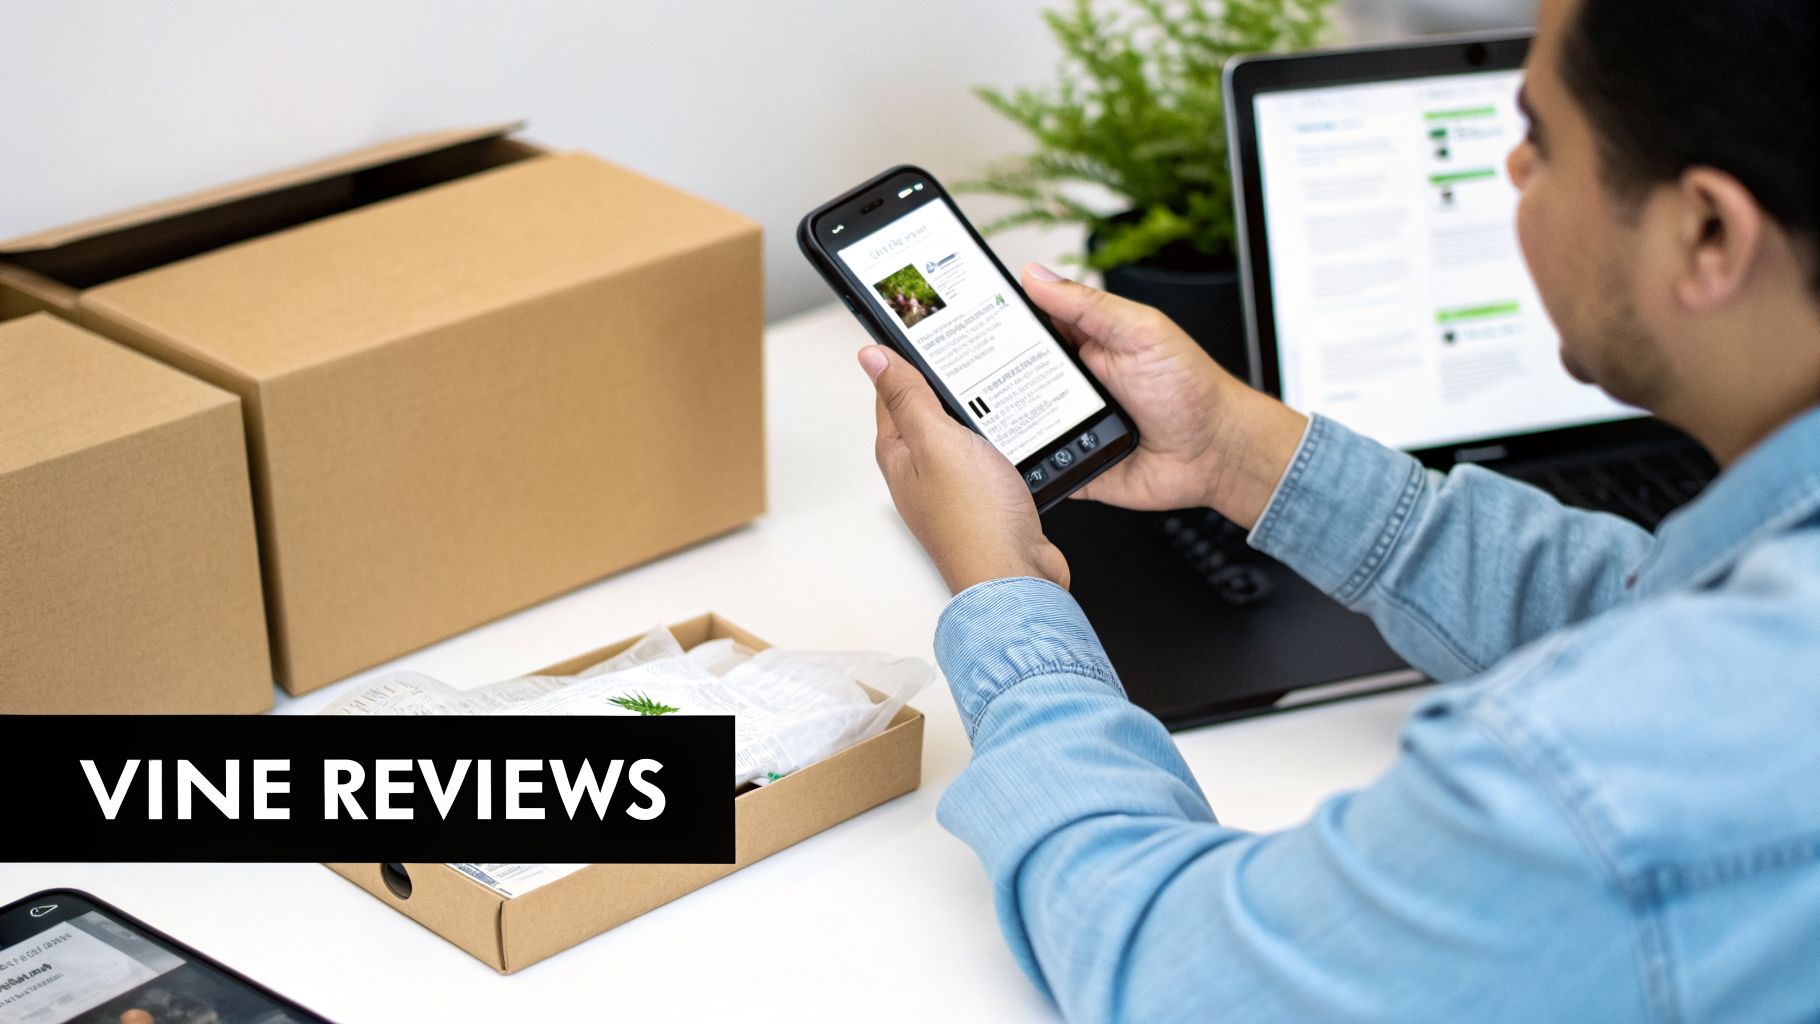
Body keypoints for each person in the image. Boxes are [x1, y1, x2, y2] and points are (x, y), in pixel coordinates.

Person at [854, 0, 1820, 1020]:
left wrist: (1004, 593)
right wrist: (1236, 446)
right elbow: (1644, 601)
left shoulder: (1599, 788)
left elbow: (1178, 973)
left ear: (1707, 231)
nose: (1510, 171)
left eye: (1535, 136)